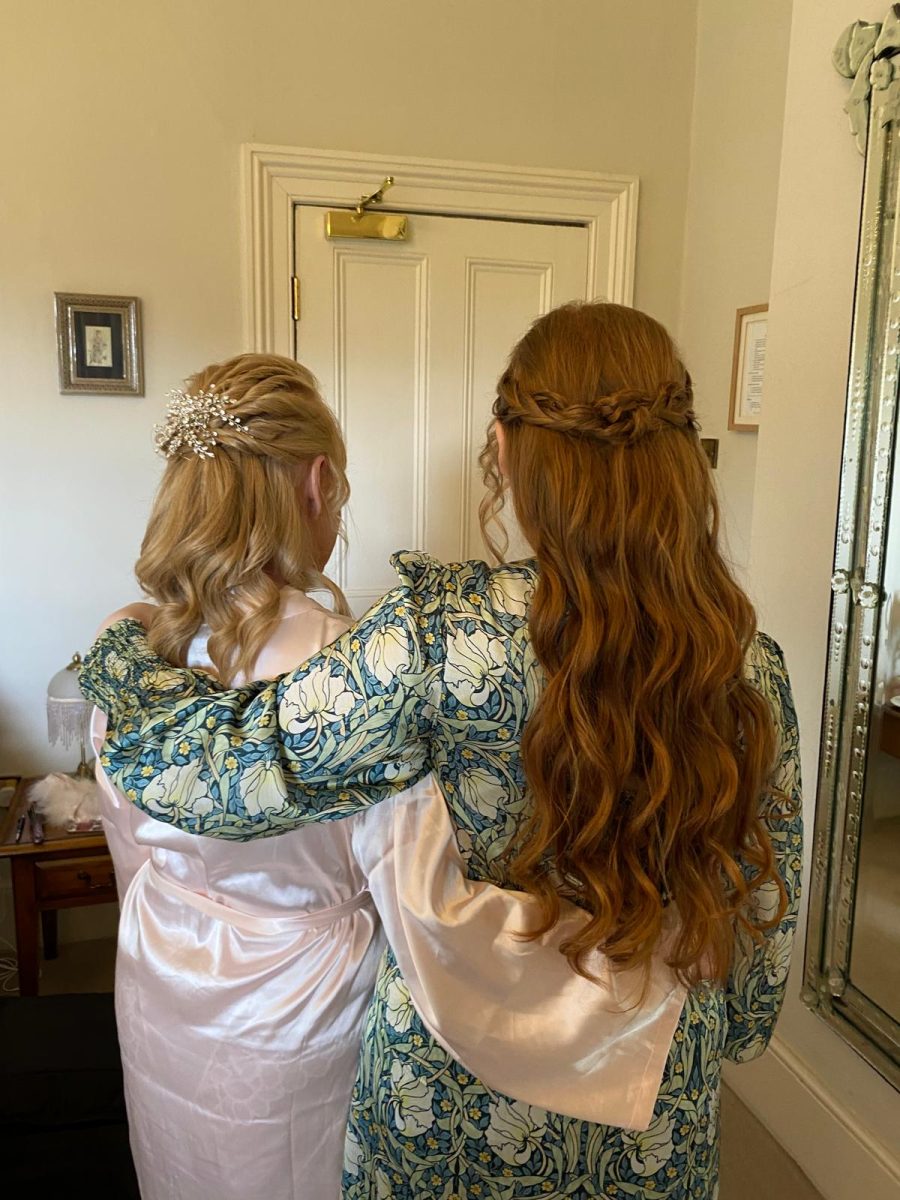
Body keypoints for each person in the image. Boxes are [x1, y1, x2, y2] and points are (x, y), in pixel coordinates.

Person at [83, 303, 803, 1200]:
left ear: (503, 450)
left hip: (456, 1084)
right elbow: (760, 912)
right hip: (657, 1074)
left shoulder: (438, 638)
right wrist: (723, 1026)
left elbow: (213, 775)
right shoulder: (751, 667)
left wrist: (122, 651)